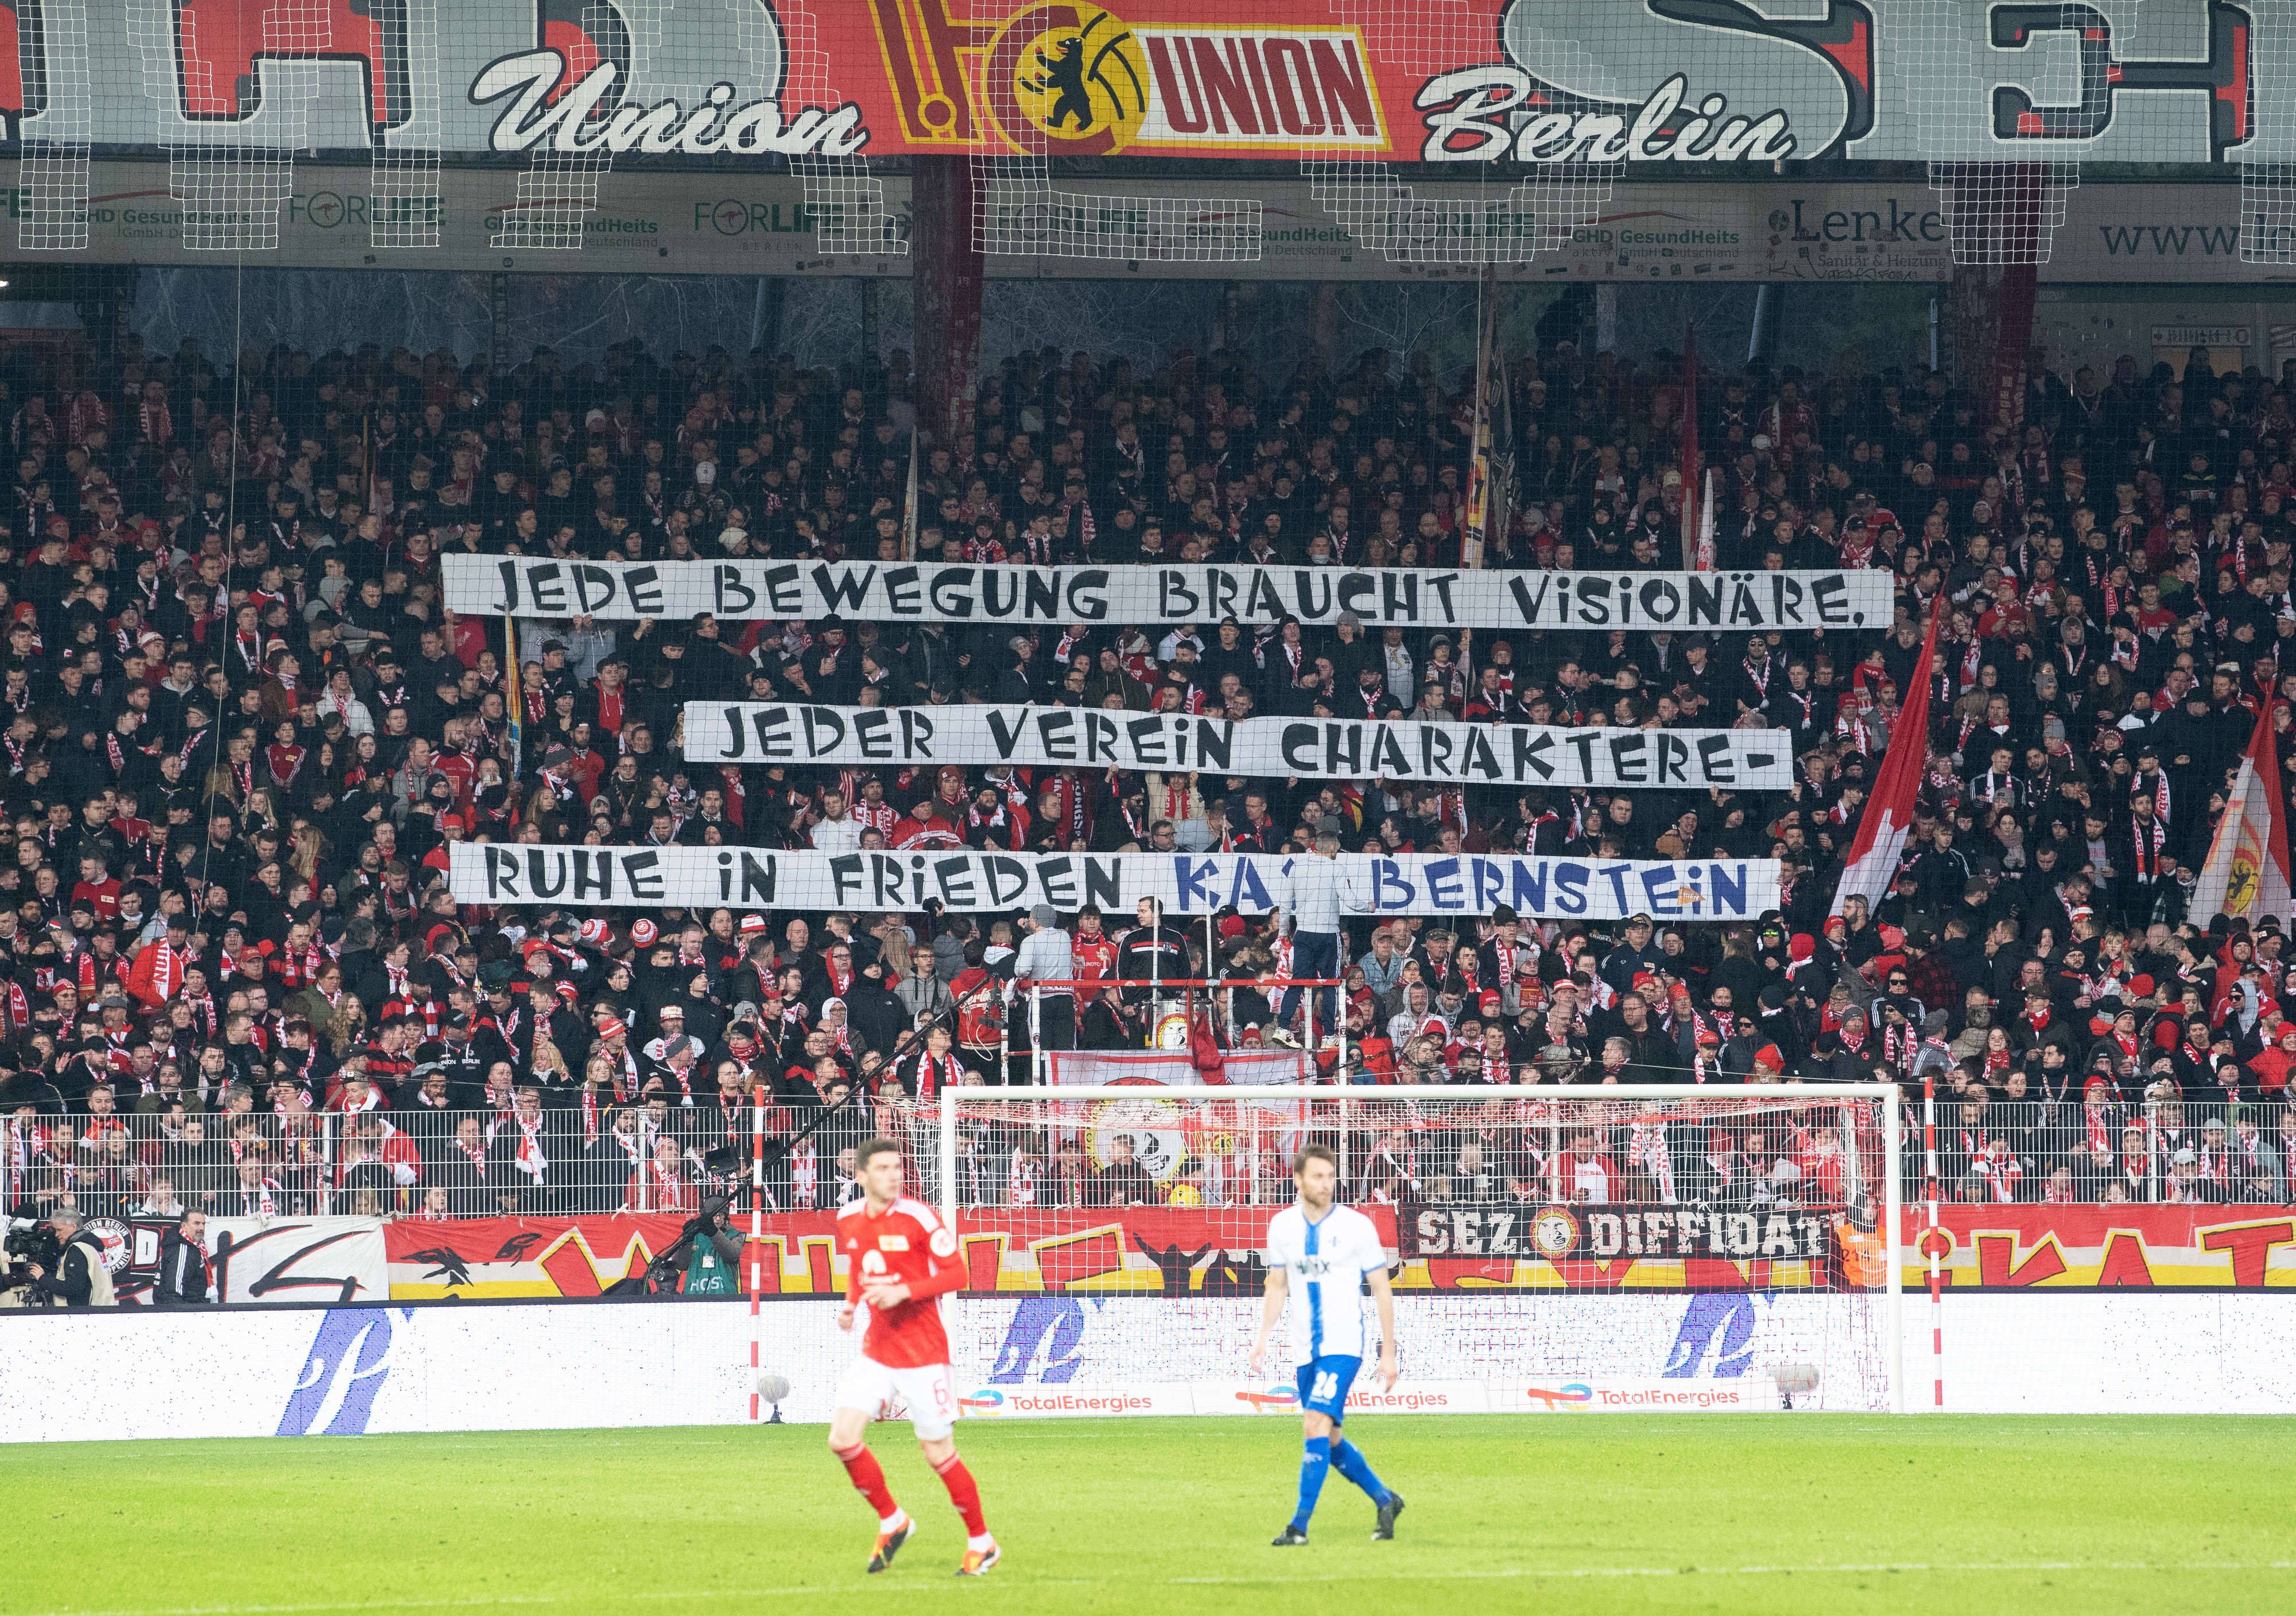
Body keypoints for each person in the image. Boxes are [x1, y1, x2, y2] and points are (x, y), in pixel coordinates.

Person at [829, 1136, 998, 1576]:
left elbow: (958, 1273)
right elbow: (858, 1265)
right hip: (878, 1351)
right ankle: (893, 1519)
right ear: (861, 1175)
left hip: (924, 1352)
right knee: (843, 1439)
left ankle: (982, 1541)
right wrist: (851, 1303)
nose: (894, 1176)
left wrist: (904, 1290)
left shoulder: (919, 1217)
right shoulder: (848, 1218)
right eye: (883, 1169)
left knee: (937, 1451)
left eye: (898, 1168)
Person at [1248, 1143, 1402, 1546]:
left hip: (1344, 1343)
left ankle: (1298, 1527)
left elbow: (1382, 1290)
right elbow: (1278, 1285)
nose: (1326, 1183)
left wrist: (1389, 1352)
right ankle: (1385, 1499)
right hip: (1305, 1350)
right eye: (1317, 1176)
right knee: (1329, 1439)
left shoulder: (1357, 1227)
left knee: (1313, 1424)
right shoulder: (1282, 1226)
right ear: (1298, 1180)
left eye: (1330, 1176)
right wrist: (1262, 1337)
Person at [1011, 903, 1076, 1067]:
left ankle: (1043, 1088)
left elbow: (1022, 970)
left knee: (1041, 1049)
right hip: (1065, 999)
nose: (1028, 921)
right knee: (1065, 1049)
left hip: (1042, 1001)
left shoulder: (1030, 941)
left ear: (1037, 923)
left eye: (1031, 918)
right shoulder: (1064, 937)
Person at [153, 1208, 213, 1305]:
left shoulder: (193, 1245)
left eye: (203, 1224)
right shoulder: (182, 1248)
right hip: (185, 1311)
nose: (202, 1228)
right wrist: (179, 1317)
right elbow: (174, 1291)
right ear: (184, 1226)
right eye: (197, 1223)